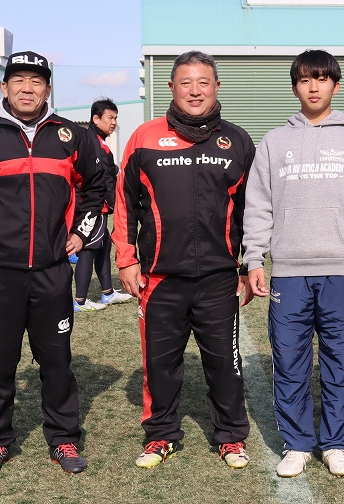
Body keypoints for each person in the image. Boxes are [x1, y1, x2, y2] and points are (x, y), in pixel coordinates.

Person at [0, 50, 104, 476]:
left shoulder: (71, 136)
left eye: (36, 81)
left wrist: (81, 232)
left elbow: (98, 185)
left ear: (47, 89)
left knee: (57, 362)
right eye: (19, 81)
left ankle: (63, 439)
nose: (27, 89)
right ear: (4, 87)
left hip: (51, 271)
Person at [243, 50, 344, 478]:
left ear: (335, 86)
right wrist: (254, 257)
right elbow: (259, 205)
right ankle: (297, 444)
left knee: (340, 362)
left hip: (343, 270)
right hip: (289, 271)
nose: (313, 87)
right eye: (305, 80)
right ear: (295, 87)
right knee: (289, 362)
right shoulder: (274, 142)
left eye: (322, 79)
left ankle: (336, 444)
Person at [113, 51, 254, 470]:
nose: (195, 91)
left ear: (217, 87)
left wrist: (248, 266)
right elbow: (124, 202)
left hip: (218, 279)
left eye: (203, 82)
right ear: (172, 88)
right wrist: (126, 259)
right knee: (159, 365)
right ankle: (160, 435)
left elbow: (253, 211)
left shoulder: (237, 141)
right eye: (186, 82)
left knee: (225, 365)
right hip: (160, 278)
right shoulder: (144, 138)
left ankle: (230, 437)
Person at [73, 98, 132, 312]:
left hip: (96, 206)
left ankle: (107, 292)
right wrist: (114, 205)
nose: (114, 122)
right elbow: (102, 179)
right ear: (96, 119)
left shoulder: (98, 141)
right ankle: (80, 301)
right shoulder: (93, 143)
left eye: (115, 118)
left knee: (104, 246)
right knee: (88, 250)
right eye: (110, 117)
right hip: (93, 206)